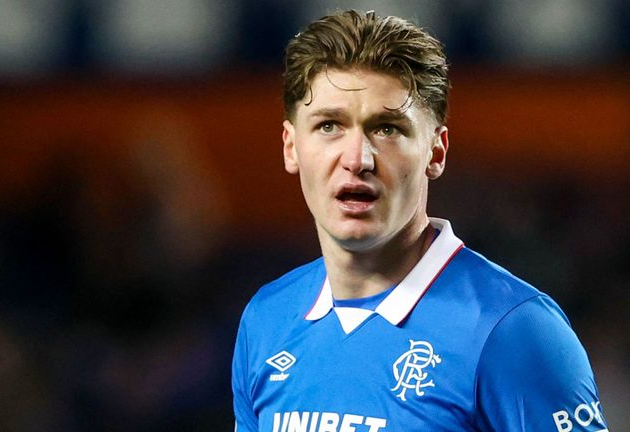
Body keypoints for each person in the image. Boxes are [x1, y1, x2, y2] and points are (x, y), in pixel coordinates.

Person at [232, 10, 608, 432]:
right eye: (329, 125)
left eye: (387, 128)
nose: (357, 159)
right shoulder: (267, 319)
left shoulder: (515, 331)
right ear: (291, 147)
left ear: (436, 151)